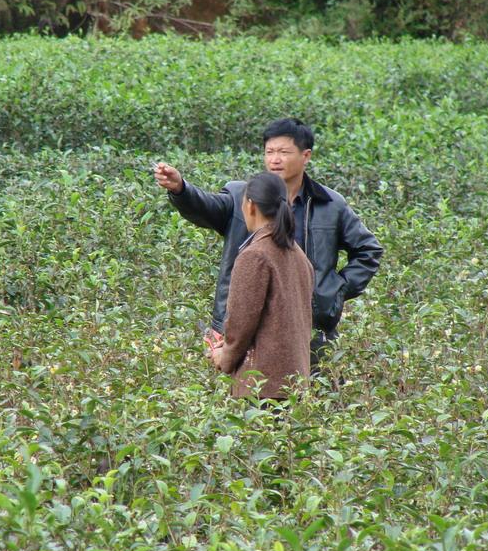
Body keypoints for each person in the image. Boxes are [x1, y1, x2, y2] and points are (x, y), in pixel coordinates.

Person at [154, 118, 383, 366]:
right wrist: (181, 189)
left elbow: (368, 250)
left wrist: (333, 292)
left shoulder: (330, 204)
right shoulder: (242, 196)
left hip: (308, 326)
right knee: (244, 395)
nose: (275, 159)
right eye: (269, 152)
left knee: (307, 395)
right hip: (247, 326)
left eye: (284, 152)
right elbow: (206, 206)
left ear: (306, 156)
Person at [211, 172, 314, 399]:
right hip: (295, 384)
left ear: (250, 206)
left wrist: (224, 357)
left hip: (260, 387)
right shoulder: (299, 256)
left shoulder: (255, 256)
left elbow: (240, 323)